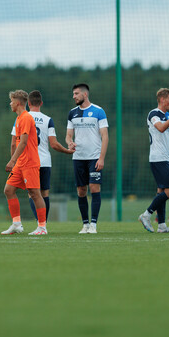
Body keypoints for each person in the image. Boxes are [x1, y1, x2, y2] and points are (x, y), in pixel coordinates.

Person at [11, 90, 74, 223]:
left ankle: (39, 223)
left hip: (27, 161)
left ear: (28, 103)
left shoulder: (22, 117)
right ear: (41, 103)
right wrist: (67, 151)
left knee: (32, 193)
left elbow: (13, 143)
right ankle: (43, 223)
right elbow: (54, 144)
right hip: (44, 161)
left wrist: (13, 161)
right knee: (44, 194)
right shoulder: (48, 120)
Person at [138, 88, 169, 233]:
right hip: (158, 158)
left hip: (165, 158)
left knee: (161, 191)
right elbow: (160, 128)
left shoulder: (166, 115)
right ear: (162, 100)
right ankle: (146, 214)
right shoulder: (154, 114)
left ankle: (162, 225)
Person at [1, 90, 47, 236]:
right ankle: (16, 224)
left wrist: (12, 160)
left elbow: (24, 142)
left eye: (11, 101)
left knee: (34, 193)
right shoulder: (19, 118)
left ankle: (42, 227)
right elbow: (17, 142)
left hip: (30, 162)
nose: (10, 104)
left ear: (18, 102)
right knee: (8, 190)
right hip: (21, 163)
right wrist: (16, 161)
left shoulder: (26, 117)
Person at [65, 83, 108, 234]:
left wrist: (101, 158)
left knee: (94, 188)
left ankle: (93, 225)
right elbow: (68, 135)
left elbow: (105, 136)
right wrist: (69, 142)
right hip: (78, 158)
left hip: (94, 157)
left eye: (76, 93)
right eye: (73, 94)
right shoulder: (72, 113)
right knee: (81, 190)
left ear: (85, 94)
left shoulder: (98, 111)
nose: (74, 96)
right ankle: (85, 224)